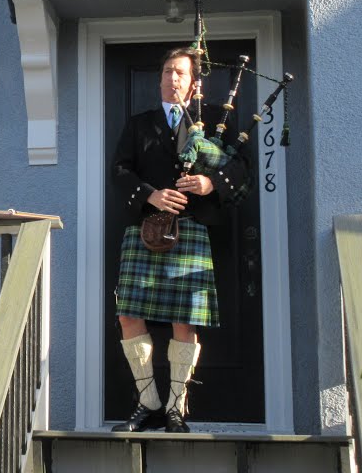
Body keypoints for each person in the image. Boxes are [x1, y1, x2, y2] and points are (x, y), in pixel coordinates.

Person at [109, 47, 248, 433]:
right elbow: (119, 171)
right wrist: (149, 194)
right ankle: (148, 400)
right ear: (159, 79)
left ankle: (174, 407)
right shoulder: (140, 124)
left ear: (193, 82)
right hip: (146, 230)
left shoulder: (217, 121)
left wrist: (209, 183)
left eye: (180, 73)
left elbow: (240, 169)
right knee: (128, 315)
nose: (173, 79)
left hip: (191, 230)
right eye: (168, 72)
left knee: (185, 321)